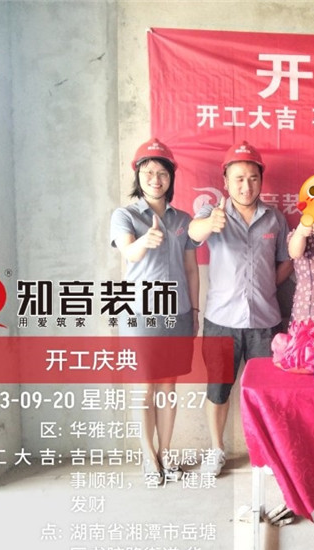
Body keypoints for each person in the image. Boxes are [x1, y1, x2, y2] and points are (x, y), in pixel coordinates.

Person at [188, 141, 292, 476]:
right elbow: (193, 233)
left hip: (265, 321)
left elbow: (286, 262)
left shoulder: (274, 219)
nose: (246, 186)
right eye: (238, 179)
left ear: (261, 180)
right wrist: (210, 224)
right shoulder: (212, 213)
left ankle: (267, 452)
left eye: (252, 178)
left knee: (267, 393)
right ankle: (216, 449)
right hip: (222, 321)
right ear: (225, 182)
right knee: (218, 390)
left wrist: (266, 285)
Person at [110, 137, 200, 486]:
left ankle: (165, 454)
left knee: (168, 388)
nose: (156, 179)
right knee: (144, 388)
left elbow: (191, 268)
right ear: (138, 176)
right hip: (141, 314)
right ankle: (149, 458)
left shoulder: (183, 219)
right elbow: (128, 254)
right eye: (148, 172)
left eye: (162, 173)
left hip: (178, 313)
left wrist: (194, 309)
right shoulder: (126, 215)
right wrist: (143, 242)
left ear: (171, 178)